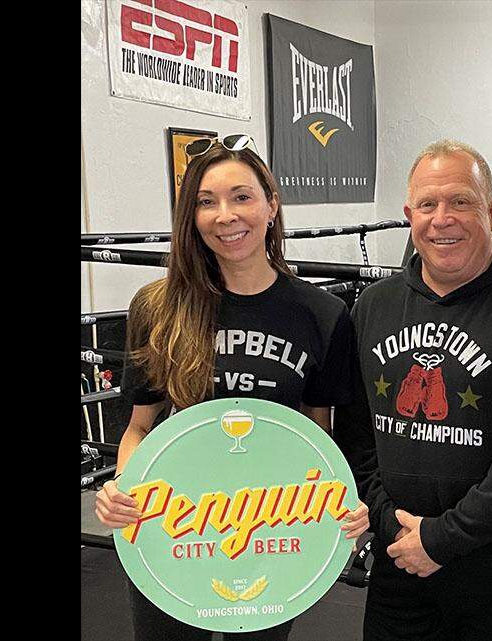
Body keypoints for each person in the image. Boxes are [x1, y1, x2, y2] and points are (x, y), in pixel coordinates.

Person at [92, 134, 370, 641]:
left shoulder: (323, 314)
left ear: (271, 205)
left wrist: (341, 504)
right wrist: (122, 490)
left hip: (273, 526)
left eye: (242, 196)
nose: (226, 216)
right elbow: (139, 429)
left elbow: (318, 437)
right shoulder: (158, 307)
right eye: (206, 202)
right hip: (176, 523)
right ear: (191, 218)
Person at [336, 139, 492, 641]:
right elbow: (356, 434)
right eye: (427, 204)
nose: (442, 219)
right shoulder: (373, 307)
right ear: (409, 216)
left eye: (460, 201)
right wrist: (391, 525)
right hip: (399, 561)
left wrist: (441, 539)